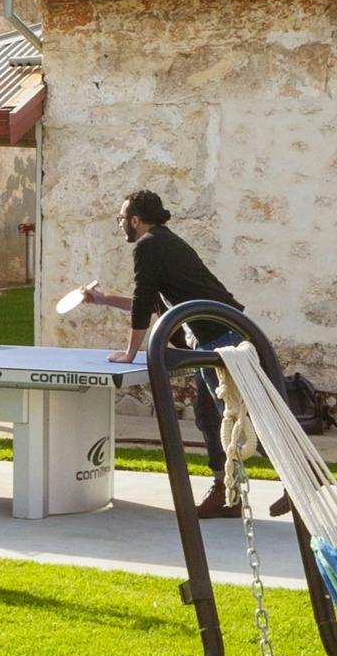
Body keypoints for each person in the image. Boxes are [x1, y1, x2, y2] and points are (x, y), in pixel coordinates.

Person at [77, 189, 244, 517]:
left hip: (219, 336)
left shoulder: (148, 245)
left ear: (135, 221)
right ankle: (227, 493)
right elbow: (154, 303)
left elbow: (143, 303)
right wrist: (104, 299)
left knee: (234, 418)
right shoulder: (163, 242)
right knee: (209, 415)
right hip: (216, 333)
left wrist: (130, 353)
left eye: (121, 218)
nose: (120, 224)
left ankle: (299, 483)